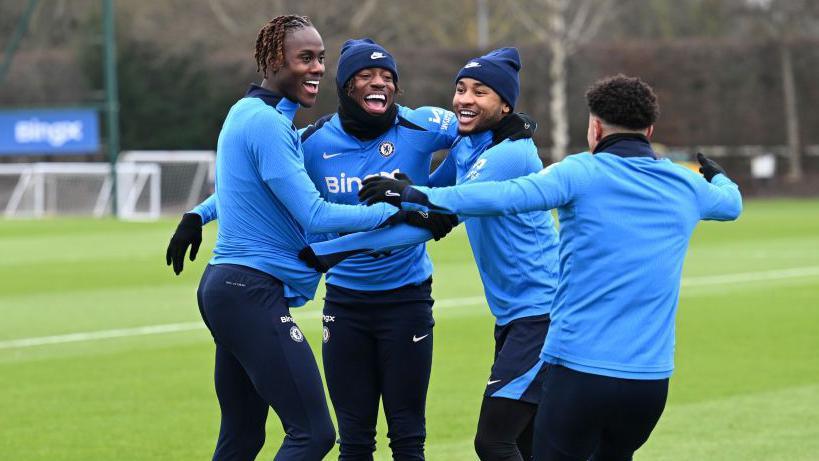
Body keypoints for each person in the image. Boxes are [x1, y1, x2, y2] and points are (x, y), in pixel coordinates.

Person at [359, 75, 743, 461]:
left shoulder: (578, 173)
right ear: (650, 130)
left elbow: (504, 196)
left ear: (595, 128)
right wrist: (717, 174)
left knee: (509, 444)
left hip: (579, 370)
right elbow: (731, 203)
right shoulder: (685, 183)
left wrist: (414, 193)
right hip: (650, 381)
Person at [169, 38, 462, 460]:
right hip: (344, 300)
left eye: (387, 77)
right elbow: (263, 183)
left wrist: (514, 126)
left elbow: (478, 131)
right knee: (351, 440)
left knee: (408, 438)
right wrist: (199, 213)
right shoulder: (312, 141)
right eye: (365, 75)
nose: (378, 83)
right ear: (346, 87)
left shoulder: (425, 126)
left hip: (408, 297)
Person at [302, 48, 558, 461]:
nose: (465, 99)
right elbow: (429, 213)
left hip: (541, 314)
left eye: (481, 91)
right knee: (529, 441)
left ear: (505, 103)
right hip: (514, 316)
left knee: (494, 442)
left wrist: (338, 248)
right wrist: (411, 200)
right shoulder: (467, 147)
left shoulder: (508, 154)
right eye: (461, 89)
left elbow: (446, 204)